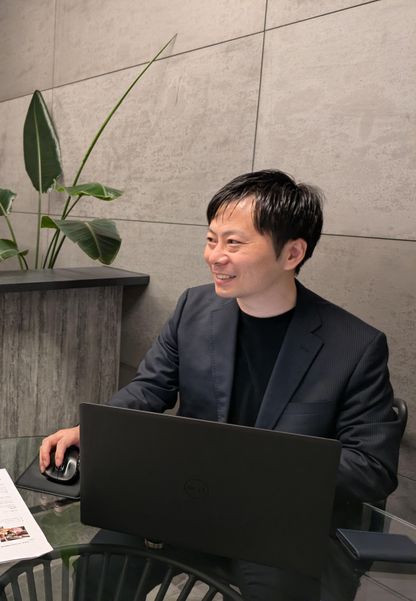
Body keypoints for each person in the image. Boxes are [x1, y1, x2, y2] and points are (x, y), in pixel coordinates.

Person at [40, 170, 402, 601]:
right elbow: (149, 389)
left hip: (279, 521)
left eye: (233, 243)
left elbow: (372, 468)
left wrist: (258, 466)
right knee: (99, 568)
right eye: (211, 240)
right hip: (189, 499)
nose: (215, 256)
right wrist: (94, 429)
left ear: (292, 253)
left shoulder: (355, 346)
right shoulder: (194, 308)